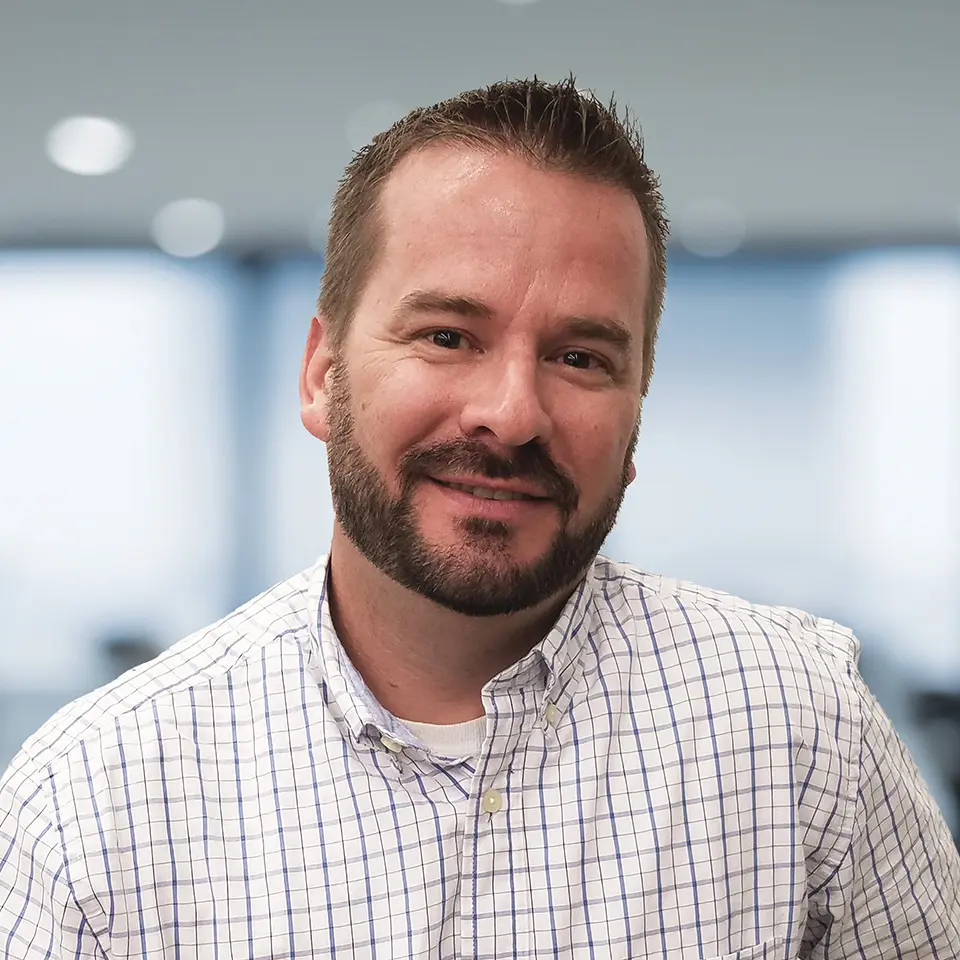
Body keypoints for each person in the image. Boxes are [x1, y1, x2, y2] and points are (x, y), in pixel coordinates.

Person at [1, 77, 957, 960]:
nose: (512, 413)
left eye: (581, 357)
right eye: (448, 336)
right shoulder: (92, 805)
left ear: (636, 415)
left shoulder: (801, 735)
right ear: (323, 375)